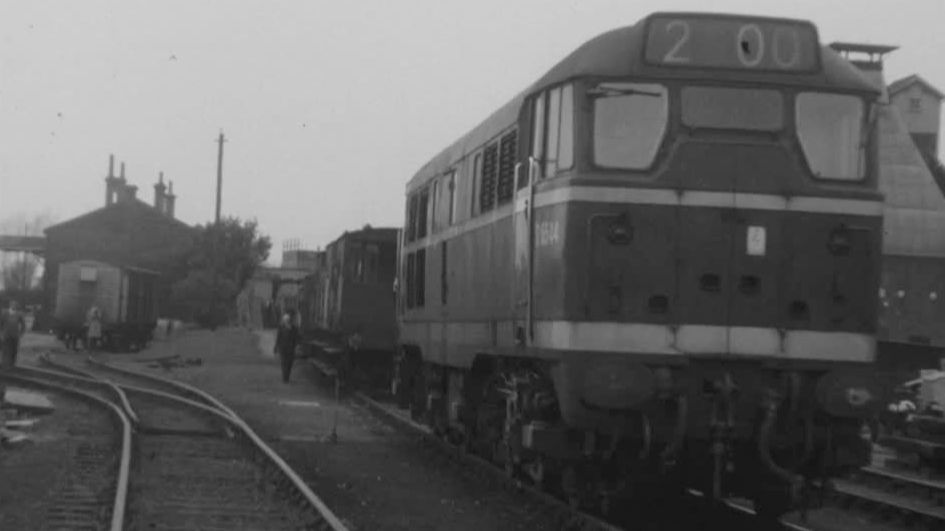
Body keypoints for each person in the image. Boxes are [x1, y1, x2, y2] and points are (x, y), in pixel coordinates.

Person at [274, 308, 300, 383]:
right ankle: (285, 378)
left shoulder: (294, 329)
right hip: (283, 348)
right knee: (284, 363)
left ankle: (286, 377)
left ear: (290, 321)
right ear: (284, 321)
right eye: (285, 320)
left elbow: (296, 339)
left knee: (289, 363)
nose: (286, 321)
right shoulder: (281, 328)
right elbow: (278, 338)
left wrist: (296, 347)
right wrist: (276, 347)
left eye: (288, 320)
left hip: (291, 349)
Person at [0, 300, 26, 369]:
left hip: (15, 335)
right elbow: (1, 323)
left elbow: (23, 325)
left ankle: (12, 364)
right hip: (6, 335)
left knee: (14, 350)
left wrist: (21, 333)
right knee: (5, 350)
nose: (13, 306)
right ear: (10, 305)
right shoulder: (4, 313)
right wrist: (1, 333)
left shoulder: (19, 314)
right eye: (12, 304)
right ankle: (4, 364)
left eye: (15, 305)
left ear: (16, 306)